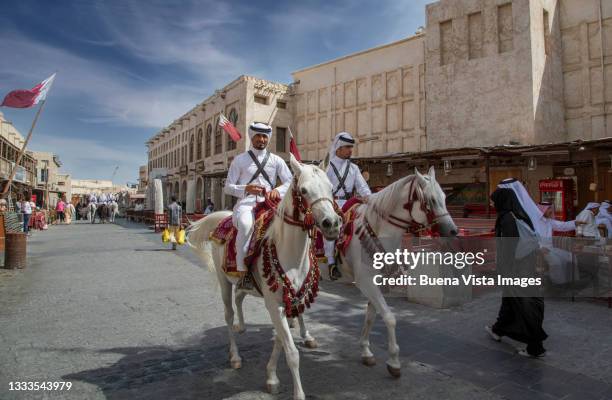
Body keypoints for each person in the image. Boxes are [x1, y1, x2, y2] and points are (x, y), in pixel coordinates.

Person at [224, 122, 292, 282]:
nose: (262, 139)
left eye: (264, 137)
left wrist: (278, 190)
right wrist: (246, 188)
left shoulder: (277, 160)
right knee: (247, 225)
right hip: (246, 204)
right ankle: (242, 269)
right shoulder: (239, 160)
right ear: (251, 137)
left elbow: (290, 181)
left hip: (271, 203)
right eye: (258, 136)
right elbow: (228, 187)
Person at [485, 185, 548, 358]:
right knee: (510, 301)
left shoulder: (507, 218)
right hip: (525, 265)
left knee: (525, 305)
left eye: (494, 201)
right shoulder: (519, 215)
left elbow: (509, 247)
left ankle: (535, 347)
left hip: (518, 269)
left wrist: (504, 270)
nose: (492, 204)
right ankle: (498, 330)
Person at [324, 132, 372, 279]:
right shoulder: (328, 166)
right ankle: (331, 263)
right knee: (332, 227)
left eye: (351, 147)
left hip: (350, 204)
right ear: (338, 148)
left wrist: (370, 199)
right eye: (347, 147)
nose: (351, 150)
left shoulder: (354, 168)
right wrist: (330, 203)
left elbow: (363, 187)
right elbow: (323, 188)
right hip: (331, 203)